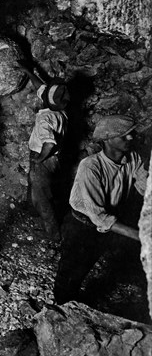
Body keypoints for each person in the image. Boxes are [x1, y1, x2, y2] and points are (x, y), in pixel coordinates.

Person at [54, 115, 148, 304]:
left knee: (91, 261)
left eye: (131, 134)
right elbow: (99, 217)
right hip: (81, 224)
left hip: (107, 219)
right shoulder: (91, 167)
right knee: (72, 267)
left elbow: (144, 187)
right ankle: (61, 305)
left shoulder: (133, 158)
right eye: (124, 136)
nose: (130, 139)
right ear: (107, 139)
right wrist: (142, 236)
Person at [18, 61, 70, 241]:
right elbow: (40, 87)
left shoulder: (46, 118)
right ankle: (32, 213)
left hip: (44, 158)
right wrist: (27, 71)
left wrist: (39, 159)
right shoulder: (59, 110)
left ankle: (54, 235)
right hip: (53, 158)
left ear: (49, 98)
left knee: (43, 198)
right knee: (37, 188)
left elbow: (49, 143)